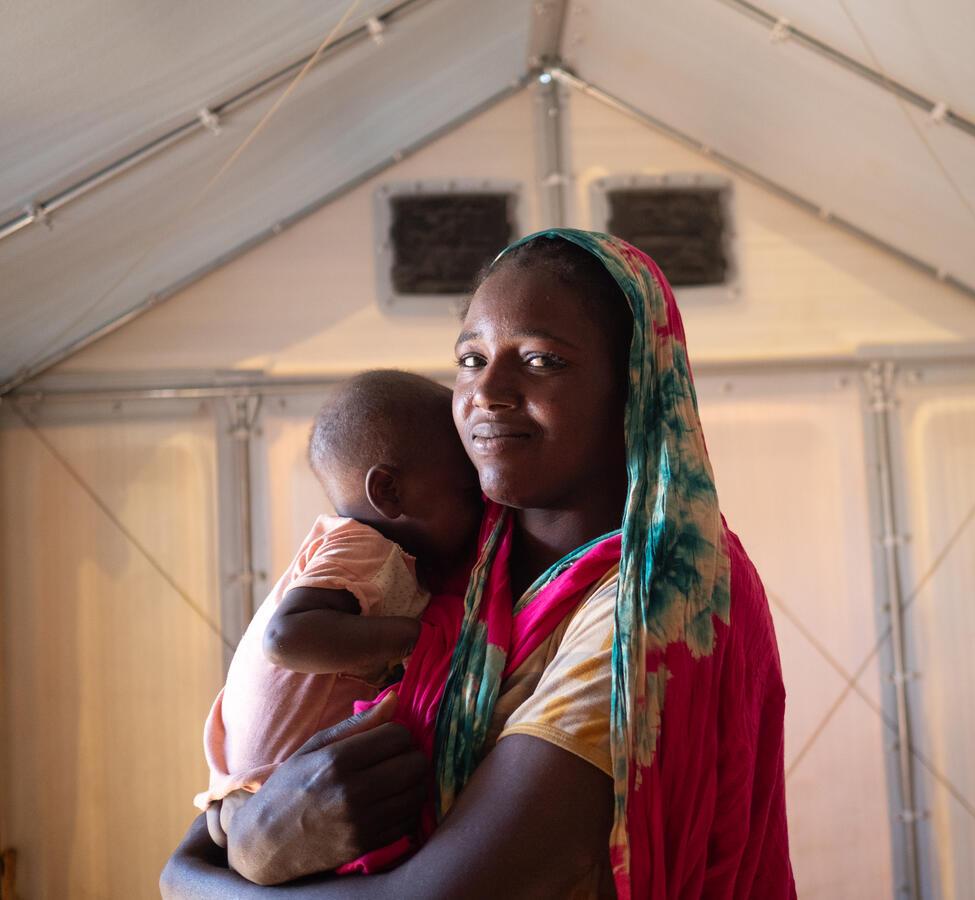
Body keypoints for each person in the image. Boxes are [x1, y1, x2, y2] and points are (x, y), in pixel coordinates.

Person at [161, 229, 796, 899]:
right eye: (471, 357)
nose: (487, 390)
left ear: (635, 387)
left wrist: (207, 874)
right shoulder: (439, 551)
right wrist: (251, 832)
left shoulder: (658, 600)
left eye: (542, 361)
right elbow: (264, 737)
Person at [195, 370, 482, 850]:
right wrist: (416, 637)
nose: (482, 501)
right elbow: (288, 639)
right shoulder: (363, 546)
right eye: (466, 489)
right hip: (274, 790)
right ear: (389, 493)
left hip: (252, 795)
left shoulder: (383, 557)